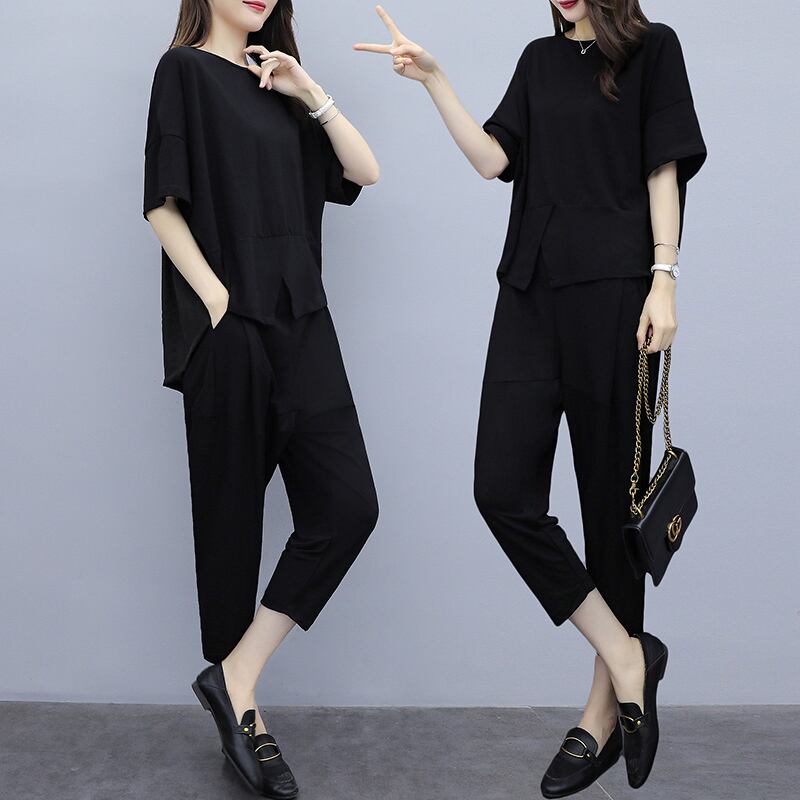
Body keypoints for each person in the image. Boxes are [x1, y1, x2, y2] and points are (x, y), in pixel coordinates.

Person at [355, 1, 706, 795]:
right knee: (502, 491)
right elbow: (492, 160)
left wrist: (665, 278)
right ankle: (630, 658)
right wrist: (435, 79)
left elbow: (664, 167)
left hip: (617, 295)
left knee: (610, 512)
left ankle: (600, 712)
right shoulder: (537, 60)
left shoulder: (653, 49)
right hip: (530, 292)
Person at [143, 1, 381, 796]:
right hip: (231, 329)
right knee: (230, 528)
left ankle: (234, 676)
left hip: (304, 321)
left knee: (347, 507)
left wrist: (309, 90)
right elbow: (160, 204)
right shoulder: (182, 72)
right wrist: (217, 299)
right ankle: (244, 717)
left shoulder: (278, 83)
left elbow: (363, 172)